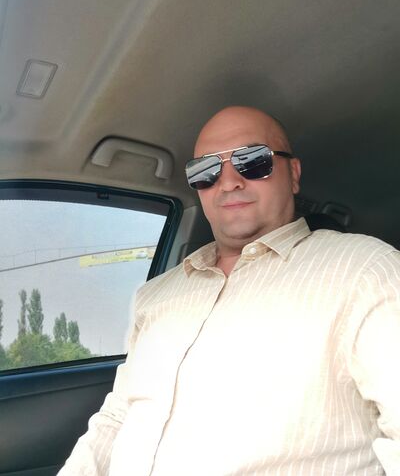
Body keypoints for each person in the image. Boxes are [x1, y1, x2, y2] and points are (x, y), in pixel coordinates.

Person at [59, 106, 400, 475]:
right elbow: (117, 416)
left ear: (293, 174)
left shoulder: (366, 270)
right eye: (205, 170)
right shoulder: (155, 295)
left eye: (252, 161)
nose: (228, 182)